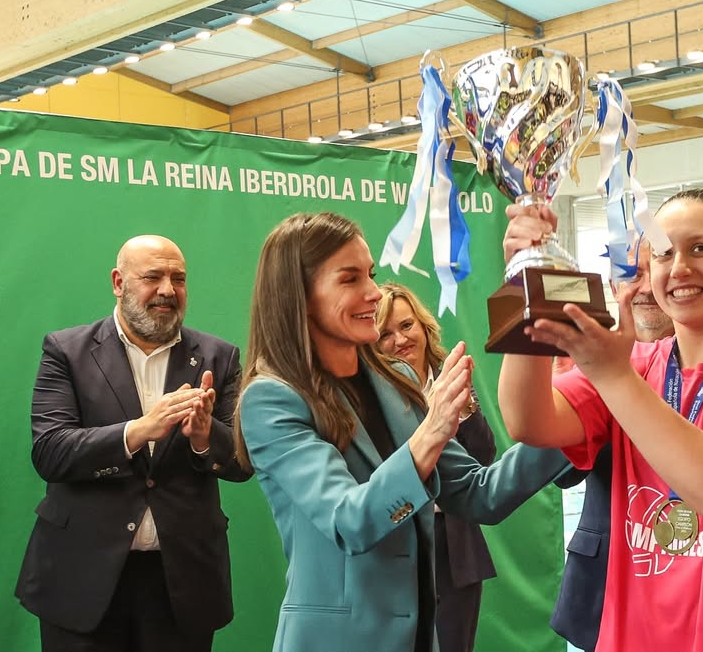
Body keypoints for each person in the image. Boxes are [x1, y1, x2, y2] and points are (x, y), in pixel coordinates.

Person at [498, 189, 703, 652]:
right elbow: (528, 420)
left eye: (701, 248)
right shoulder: (632, 363)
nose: (680, 268)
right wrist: (524, 285)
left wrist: (613, 376)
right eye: (665, 253)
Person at [234, 211, 569, 652]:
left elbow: (480, 494)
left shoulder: (393, 379)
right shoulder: (271, 400)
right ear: (299, 296)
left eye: (369, 274)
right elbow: (348, 521)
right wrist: (430, 433)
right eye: (349, 279)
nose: (374, 292)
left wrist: (572, 408)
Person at [16, 235, 251, 652]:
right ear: (118, 282)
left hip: (182, 585)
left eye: (178, 279)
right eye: (152, 277)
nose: (167, 290)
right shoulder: (66, 351)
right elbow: (51, 451)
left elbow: (241, 463)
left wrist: (203, 438)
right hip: (82, 581)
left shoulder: (220, 357)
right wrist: (139, 430)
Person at [550, 240, 675, 652]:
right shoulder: (591, 360)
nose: (642, 287)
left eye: (648, 271)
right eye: (628, 276)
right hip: (606, 580)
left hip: (693, 578)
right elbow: (564, 470)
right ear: (610, 284)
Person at [376, 282, 497, 652]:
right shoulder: (371, 391)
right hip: (398, 545)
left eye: (407, 326)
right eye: (385, 334)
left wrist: (463, 408)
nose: (400, 340)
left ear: (424, 327)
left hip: (455, 547)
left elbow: (483, 457)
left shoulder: (451, 378)